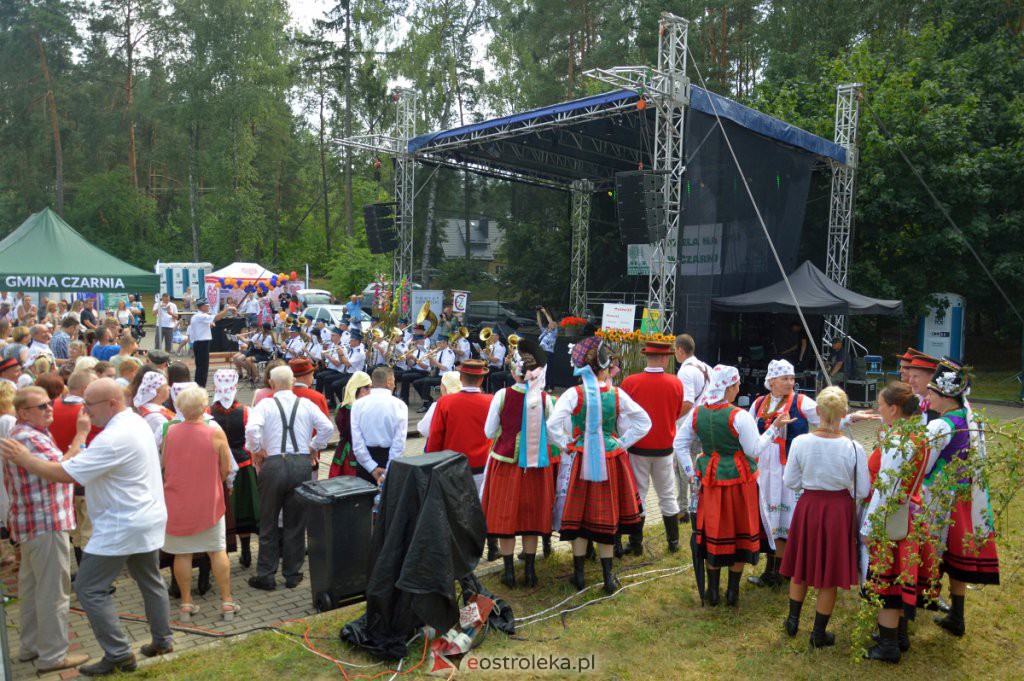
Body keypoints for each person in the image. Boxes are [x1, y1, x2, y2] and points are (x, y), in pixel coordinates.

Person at [1, 378, 173, 675]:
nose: (85, 411)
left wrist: (26, 459)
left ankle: (119, 653)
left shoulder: (113, 437)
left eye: (89, 405)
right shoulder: (134, 423)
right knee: (149, 578)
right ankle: (163, 640)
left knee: (88, 587)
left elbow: (66, 472)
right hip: (144, 516)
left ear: (112, 403)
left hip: (122, 524)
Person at [747, 359, 876, 588]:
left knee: (785, 519)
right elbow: (749, 434)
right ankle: (773, 568)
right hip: (765, 468)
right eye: (784, 378)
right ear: (772, 381)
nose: (790, 382)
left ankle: (779, 570)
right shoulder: (758, 404)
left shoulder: (800, 401)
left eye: (791, 378)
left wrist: (852, 418)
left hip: (787, 468)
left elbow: (826, 418)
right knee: (768, 518)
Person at [674, 365, 790, 607]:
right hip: (739, 482)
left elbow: (679, 444)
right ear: (729, 387)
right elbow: (754, 449)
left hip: (711, 481)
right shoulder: (739, 415)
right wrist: (774, 429)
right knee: (738, 533)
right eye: (736, 385)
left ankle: (713, 593)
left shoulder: (698, 413)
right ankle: (732, 594)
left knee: (713, 531)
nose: (738, 390)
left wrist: (691, 473)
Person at [547, 336, 651, 594]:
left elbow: (552, 425)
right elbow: (644, 421)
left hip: (582, 456)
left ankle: (580, 575)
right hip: (611, 459)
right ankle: (607, 577)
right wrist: (621, 443)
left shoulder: (574, 393)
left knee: (580, 515)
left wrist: (566, 443)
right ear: (604, 369)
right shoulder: (616, 394)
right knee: (607, 514)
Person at [2, 387, 88, 672]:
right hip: (45, 523)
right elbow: (63, 468)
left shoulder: (24, 434)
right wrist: (80, 435)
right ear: (23, 412)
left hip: (32, 522)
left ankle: (31, 648)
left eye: (49, 404)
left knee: (33, 588)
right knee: (54, 592)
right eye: (42, 406)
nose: (49, 409)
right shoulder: (28, 436)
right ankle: (53, 655)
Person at [780, 386, 869, 648]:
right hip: (838, 510)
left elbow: (790, 481)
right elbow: (862, 490)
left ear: (817, 411)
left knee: (801, 567)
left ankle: (792, 621)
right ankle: (818, 633)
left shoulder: (800, 442)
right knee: (828, 573)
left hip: (809, 506)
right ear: (844, 413)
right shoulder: (854, 448)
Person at [919, 359, 999, 637]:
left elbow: (923, 465)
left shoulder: (940, 426)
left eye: (931, 392)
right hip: (963, 497)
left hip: (940, 498)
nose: (927, 397)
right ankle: (957, 615)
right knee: (956, 557)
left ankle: (915, 605)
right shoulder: (969, 419)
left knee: (930, 551)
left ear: (944, 397)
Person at [244, 365, 333, 591]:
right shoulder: (306, 404)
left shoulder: (264, 405)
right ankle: (292, 574)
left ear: (272, 384)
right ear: (293, 382)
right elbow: (326, 427)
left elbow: (252, 430)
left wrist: (257, 450)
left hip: (273, 463)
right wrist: (313, 447)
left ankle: (266, 574)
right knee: (295, 522)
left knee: (268, 520)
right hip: (301, 463)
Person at [862, 381, 928, 663]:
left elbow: (885, 490)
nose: (878, 410)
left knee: (887, 583)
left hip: (891, 519)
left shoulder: (900, 441)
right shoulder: (917, 434)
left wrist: (868, 528)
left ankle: (888, 646)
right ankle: (898, 635)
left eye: (881, 405)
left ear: (894, 409)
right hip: (908, 516)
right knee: (901, 577)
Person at [481, 340, 556, 588]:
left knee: (505, 516)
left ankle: (509, 572)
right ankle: (531, 572)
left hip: (505, 464)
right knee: (531, 516)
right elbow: (555, 434)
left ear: (514, 371)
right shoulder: (546, 400)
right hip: (536, 467)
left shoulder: (502, 395)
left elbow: (490, 432)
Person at [161, 386, 237, 622]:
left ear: (180, 408)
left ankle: (186, 604)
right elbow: (226, 467)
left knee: (182, 554)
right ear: (204, 406)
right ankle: (226, 602)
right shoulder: (214, 432)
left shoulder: (170, 433)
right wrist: (214, 481)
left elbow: (165, 465)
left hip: (177, 502)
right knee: (217, 550)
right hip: (208, 501)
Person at [620, 340, 685, 556]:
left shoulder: (630, 382)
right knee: (667, 494)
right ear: (665, 358)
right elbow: (676, 412)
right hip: (665, 447)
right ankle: (673, 541)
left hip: (638, 447)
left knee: (638, 494)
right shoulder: (675, 383)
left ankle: (636, 543)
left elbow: (624, 416)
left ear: (646, 356)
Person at [210, 370, 260, 567]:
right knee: (243, 509)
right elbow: (254, 439)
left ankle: (219, 555)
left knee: (221, 512)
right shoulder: (247, 412)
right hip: (244, 466)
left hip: (218, 469)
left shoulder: (207, 413)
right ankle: (246, 551)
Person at [426, 360, 495, 492]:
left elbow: (435, 436)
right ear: (481, 380)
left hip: (451, 466)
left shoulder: (445, 402)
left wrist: (431, 464)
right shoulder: (491, 401)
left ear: (461, 378)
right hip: (483, 465)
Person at [350, 367, 407, 484]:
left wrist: (371, 467)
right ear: (389, 382)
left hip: (365, 459)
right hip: (389, 458)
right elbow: (399, 442)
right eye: (394, 381)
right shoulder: (399, 405)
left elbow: (357, 442)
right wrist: (388, 470)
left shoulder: (358, 405)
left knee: (364, 499)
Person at [674, 333, 709, 522]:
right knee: (694, 466)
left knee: (683, 468)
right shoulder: (705, 367)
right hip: (703, 421)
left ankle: (684, 509)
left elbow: (687, 402)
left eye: (674, 350)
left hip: (688, 424)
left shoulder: (685, 371)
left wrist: (671, 418)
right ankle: (694, 505)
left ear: (680, 349)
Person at [328, 371, 372, 478]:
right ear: (362, 390)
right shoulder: (364, 410)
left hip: (342, 451)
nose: (371, 391)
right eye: (369, 388)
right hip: (359, 456)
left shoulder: (341, 407)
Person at [188, 298, 235, 388]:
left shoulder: (196, 316)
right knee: (203, 367)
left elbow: (202, 326)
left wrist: (209, 325)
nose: (208, 307)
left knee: (200, 367)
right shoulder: (201, 316)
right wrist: (227, 309)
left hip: (199, 343)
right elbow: (217, 317)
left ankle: (199, 386)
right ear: (201, 307)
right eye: (207, 306)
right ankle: (201, 387)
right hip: (202, 343)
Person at [413, 335, 456, 413]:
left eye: (439, 343)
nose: (438, 345)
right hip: (437, 375)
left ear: (445, 342)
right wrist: (430, 357)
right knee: (416, 383)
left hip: (445, 377)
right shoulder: (439, 352)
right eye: (437, 343)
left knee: (427, 381)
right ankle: (429, 399)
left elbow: (444, 368)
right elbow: (432, 365)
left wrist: (433, 359)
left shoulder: (450, 353)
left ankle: (426, 404)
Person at [418, 371, 462, 443]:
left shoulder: (438, 405)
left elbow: (424, 430)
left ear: (444, 387)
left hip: (442, 447)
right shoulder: (467, 402)